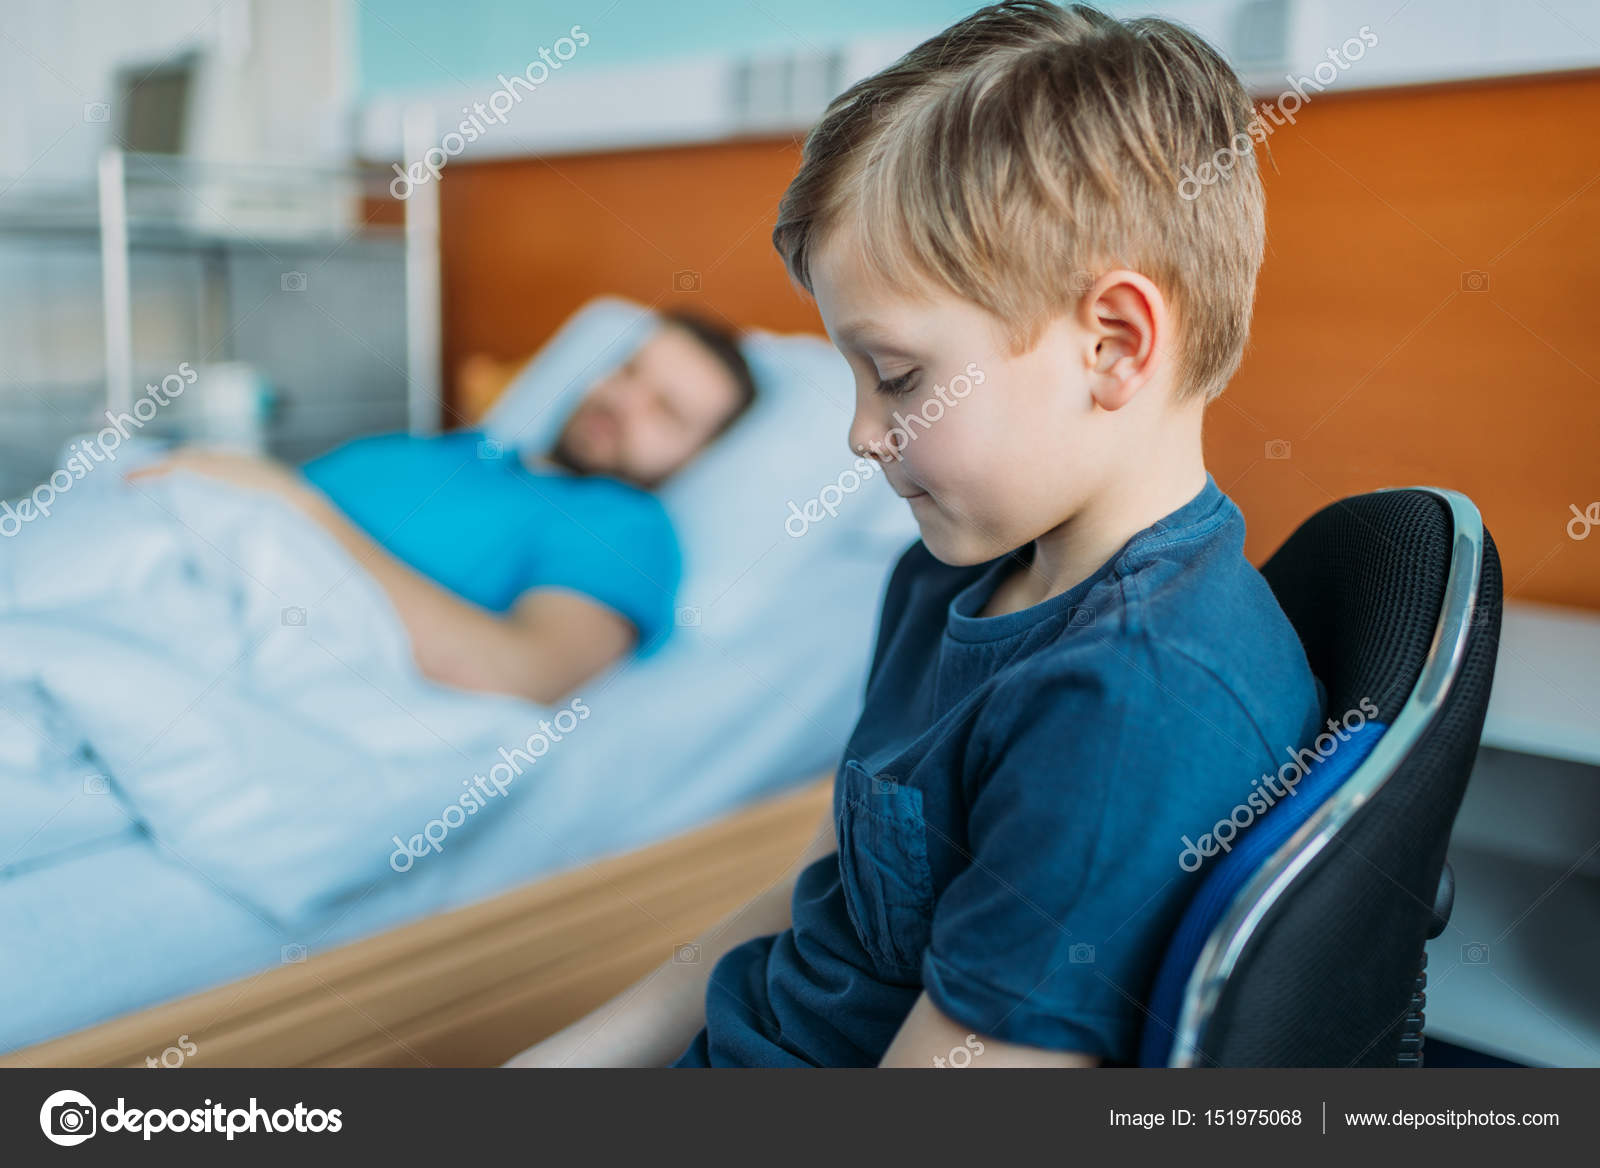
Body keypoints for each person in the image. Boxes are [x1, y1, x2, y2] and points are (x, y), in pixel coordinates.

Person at [508, 1, 1324, 1068]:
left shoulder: (1132, 703)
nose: (861, 434)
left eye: (897, 377)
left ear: (1114, 346)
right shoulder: (944, 578)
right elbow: (821, 895)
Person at [130, 310, 757, 704]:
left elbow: (525, 675)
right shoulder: (463, 449)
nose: (622, 402)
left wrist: (297, 508)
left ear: (696, 456)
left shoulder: (623, 526)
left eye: (665, 411)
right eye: (628, 373)